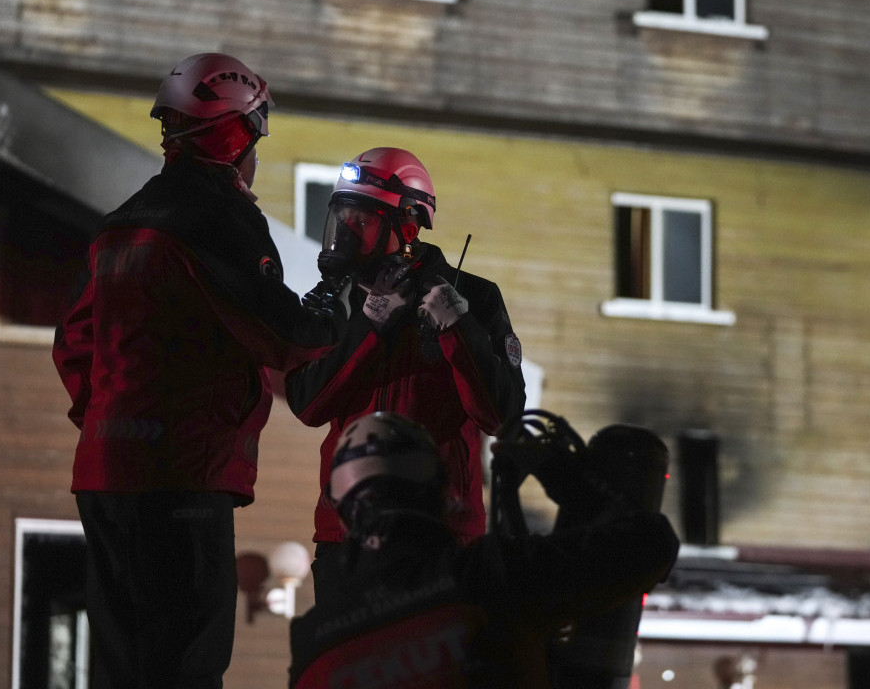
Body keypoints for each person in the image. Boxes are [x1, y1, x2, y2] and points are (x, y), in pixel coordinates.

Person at [52, 52, 351, 689]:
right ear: (237, 132)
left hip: (105, 476)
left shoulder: (121, 226)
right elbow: (285, 335)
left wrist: (112, 418)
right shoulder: (221, 219)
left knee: (121, 665)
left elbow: (73, 344)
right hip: (183, 475)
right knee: (186, 666)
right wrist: (339, 308)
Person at [284, 146, 526, 597]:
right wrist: (369, 325)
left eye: (362, 221)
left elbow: (501, 415)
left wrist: (458, 327)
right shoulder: (335, 299)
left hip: (443, 536)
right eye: (342, 217)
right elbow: (309, 405)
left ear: (408, 225)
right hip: (348, 537)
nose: (345, 232)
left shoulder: (475, 296)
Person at [287, 411, 680, 688]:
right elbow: (650, 545)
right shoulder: (487, 576)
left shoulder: (313, 638)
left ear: (341, 513)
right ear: (442, 495)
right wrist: (570, 481)